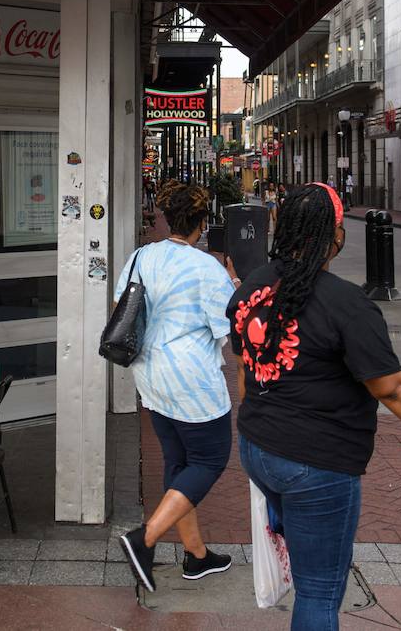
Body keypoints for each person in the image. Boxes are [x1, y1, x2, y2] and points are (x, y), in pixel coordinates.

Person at [227, 183, 401, 630]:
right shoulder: (346, 304)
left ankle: (293, 525)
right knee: (320, 591)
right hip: (316, 463)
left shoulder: (252, 287)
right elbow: (394, 390)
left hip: (258, 448)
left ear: (282, 227)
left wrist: (258, 425)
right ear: (337, 235)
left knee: (303, 545)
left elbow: (245, 366)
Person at [116, 182, 239, 592]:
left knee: (178, 461)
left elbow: (124, 306)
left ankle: (196, 555)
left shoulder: (139, 257)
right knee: (210, 459)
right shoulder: (207, 268)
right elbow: (229, 328)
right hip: (192, 381)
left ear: (167, 216)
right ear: (201, 224)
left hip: (149, 376)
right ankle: (144, 539)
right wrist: (235, 291)